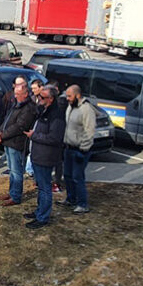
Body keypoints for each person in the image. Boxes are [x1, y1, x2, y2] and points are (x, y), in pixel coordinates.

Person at [25, 85, 66, 229]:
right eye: (39, 97)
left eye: (42, 97)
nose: (39, 99)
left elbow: (55, 138)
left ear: (51, 98)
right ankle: (38, 211)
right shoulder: (44, 110)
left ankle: (43, 217)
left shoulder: (57, 115)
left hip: (46, 156)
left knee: (45, 188)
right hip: (38, 154)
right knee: (40, 187)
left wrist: (34, 135)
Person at [0, 79, 37, 206]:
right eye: (15, 93)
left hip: (17, 143)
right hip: (8, 142)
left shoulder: (29, 108)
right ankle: (12, 191)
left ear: (25, 94)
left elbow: (19, 126)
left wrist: (2, 135)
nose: (15, 96)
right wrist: (0, 131)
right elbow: (7, 119)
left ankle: (16, 196)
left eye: (18, 94)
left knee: (16, 171)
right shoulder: (16, 104)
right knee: (11, 169)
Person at [62, 85, 96, 214]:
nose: (67, 98)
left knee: (77, 177)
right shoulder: (71, 107)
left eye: (69, 96)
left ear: (77, 95)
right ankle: (71, 199)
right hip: (68, 147)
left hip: (79, 150)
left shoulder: (86, 109)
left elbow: (89, 131)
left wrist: (83, 149)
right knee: (68, 175)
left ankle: (82, 204)